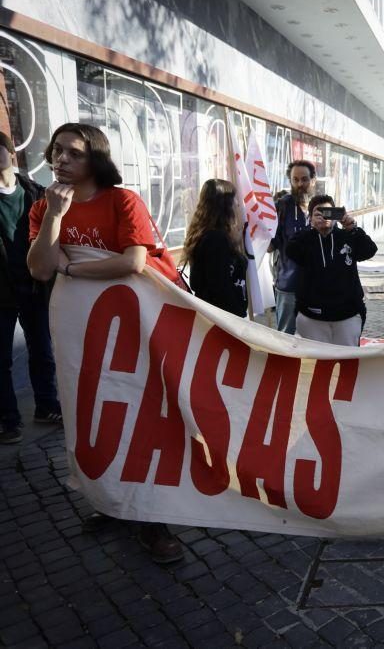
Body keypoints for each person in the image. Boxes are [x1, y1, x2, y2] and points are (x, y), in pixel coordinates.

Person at [26, 122, 184, 563]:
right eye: (56, 151)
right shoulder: (44, 208)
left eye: (73, 153)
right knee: (93, 413)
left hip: (136, 327)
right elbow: (39, 268)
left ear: (95, 157)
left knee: (141, 415)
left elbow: (133, 262)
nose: (61, 159)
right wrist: (55, 217)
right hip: (81, 331)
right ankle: (113, 501)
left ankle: (154, 520)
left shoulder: (122, 201)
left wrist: (72, 269)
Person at [0, 132, 62, 445]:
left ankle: (47, 406)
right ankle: (8, 421)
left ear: (11, 154)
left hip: (34, 284)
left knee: (42, 349)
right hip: (1, 290)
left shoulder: (35, 192)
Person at [285, 195, 377, 346]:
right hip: (311, 316)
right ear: (310, 217)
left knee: (347, 362)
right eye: (319, 213)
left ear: (336, 215)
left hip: (347, 315)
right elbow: (291, 250)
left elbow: (370, 250)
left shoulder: (347, 236)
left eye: (329, 212)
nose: (324, 217)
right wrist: (311, 226)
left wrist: (353, 228)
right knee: (317, 364)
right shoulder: (305, 239)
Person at [181, 179, 248, 317]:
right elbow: (220, 287)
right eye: (235, 200)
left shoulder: (205, 233)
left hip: (213, 316)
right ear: (225, 204)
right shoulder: (216, 239)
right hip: (224, 320)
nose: (238, 204)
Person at [269, 160, 316, 334]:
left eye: (304, 179)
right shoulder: (282, 207)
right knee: (286, 337)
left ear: (313, 180)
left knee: (315, 337)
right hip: (289, 287)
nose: (299, 184)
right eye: (295, 180)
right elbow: (269, 246)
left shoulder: (322, 206)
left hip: (317, 286)